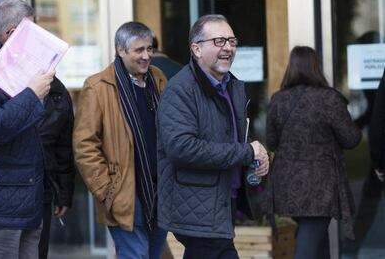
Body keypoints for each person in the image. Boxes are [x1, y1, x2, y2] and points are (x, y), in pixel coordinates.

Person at [157, 14, 269, 258]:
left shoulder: (231, 86)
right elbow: (181, 148)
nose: (228, 47)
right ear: (196, 49)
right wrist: (246, 152)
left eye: (231, 40)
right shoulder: (180, 90)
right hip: (197, 207)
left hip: (220, 201)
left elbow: (230, 138)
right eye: (219, 41)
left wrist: (255, 155)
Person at [73, 21, 168, 259]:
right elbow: (84, 145)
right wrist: (106, 191)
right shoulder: (97, 87)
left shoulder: (158, 78)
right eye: (139, 50)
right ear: (121, 50)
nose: (146, 56)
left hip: (160, 192)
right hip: (124, 193)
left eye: (149, 49)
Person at [0, 0, 55, 259]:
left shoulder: (11, 56)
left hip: (23, 200)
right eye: (30, 31)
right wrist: (31, 94)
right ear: (10, 33)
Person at [265, 46, 362, 259]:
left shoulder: (278, 100)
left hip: (287, 184)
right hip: (320, 187)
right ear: (316, 67)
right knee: (309, 245)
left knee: (318, 243)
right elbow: (351, 139)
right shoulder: (329, 99)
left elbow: (271, 142)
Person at [37, 77, 75, 259]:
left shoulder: (58, 92)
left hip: (42, 189)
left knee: (37, 252)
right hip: (1, 191)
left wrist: (64, 194)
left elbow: (63, 149)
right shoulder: (1, 82)